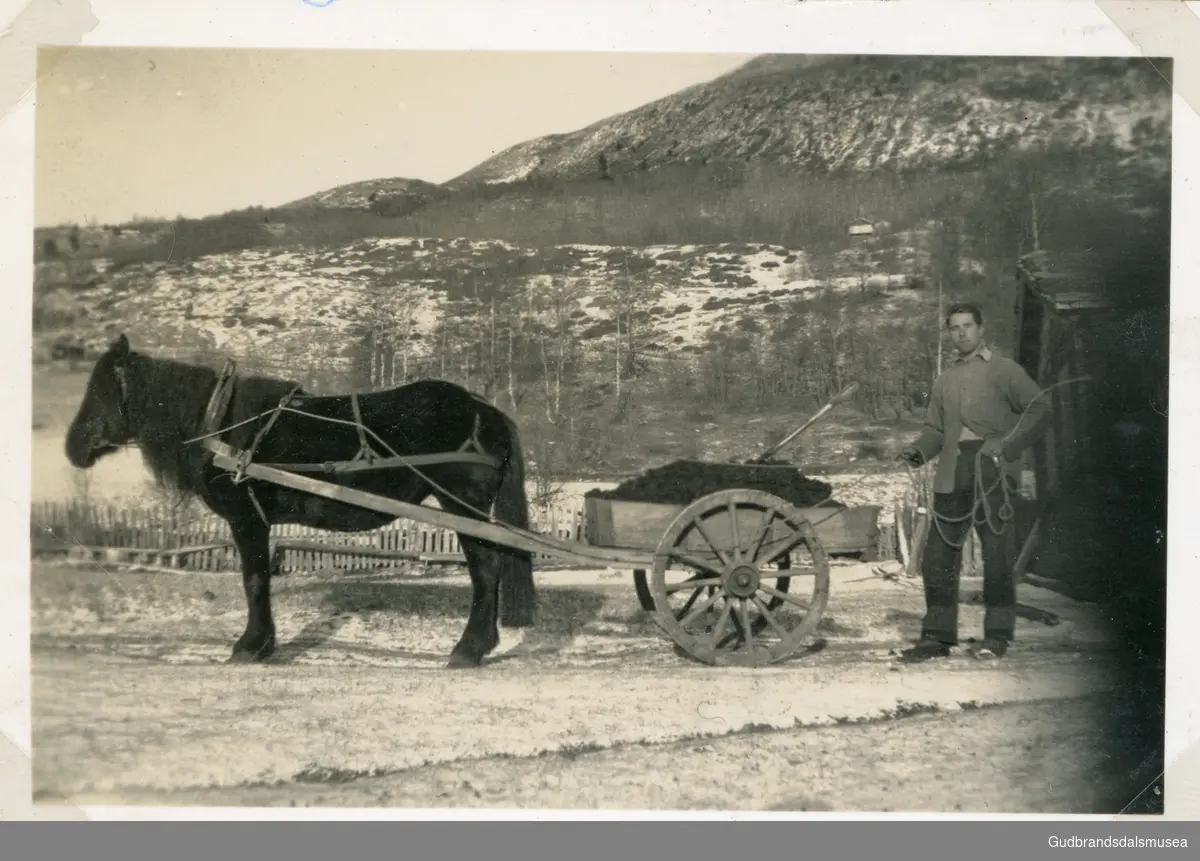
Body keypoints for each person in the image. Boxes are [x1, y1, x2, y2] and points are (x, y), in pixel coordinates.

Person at [897, 302, 1052, 662]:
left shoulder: (1006, 371)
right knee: (937, 557)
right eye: (954, 327)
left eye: (968, 325)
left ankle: (997, 636)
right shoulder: (944, 380)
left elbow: (1040, 409)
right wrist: (918, 451)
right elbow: (935, 430)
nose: (962, 332)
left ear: (981, 330)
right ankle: (937, 638)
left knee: (997, 556)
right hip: (953, 471)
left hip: (992, 470)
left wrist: (1008, 444)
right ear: (949, 333)